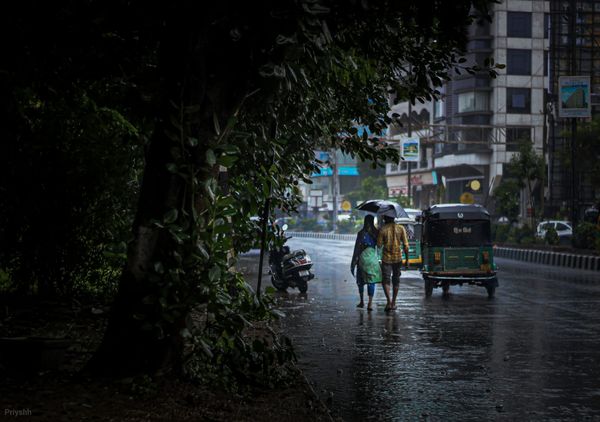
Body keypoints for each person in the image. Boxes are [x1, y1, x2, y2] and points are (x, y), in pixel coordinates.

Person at [377, 215, 409, 311]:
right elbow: (406, 246)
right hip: (398, 258)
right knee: (396, 280)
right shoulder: (401, 228)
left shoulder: (383, 230)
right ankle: (394, 302)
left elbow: (379, 245)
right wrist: (407, 260)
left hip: (386, 259)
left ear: (385, 219)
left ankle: (389, 302)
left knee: (386, 280)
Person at [350, 215, 380, 311]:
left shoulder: (361, 233)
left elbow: (356, 249)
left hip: (362, 260)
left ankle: (362, 301)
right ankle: (370, 304)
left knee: (360, 281)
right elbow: (380, 246)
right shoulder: (376, 233)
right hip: (372, 259)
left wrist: (353, 262)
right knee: (371, 281)